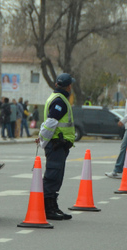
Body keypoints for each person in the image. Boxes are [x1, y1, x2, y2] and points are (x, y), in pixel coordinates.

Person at [36, 73, 76, 221]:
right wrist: (43, 141)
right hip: (56, 145)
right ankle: (48, 209)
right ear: (69, 86)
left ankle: (53, 206)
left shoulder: (58, 98)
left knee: (56, 176)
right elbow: (51, 123)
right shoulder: (60, 101)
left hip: (59, 145)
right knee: (52, 177)